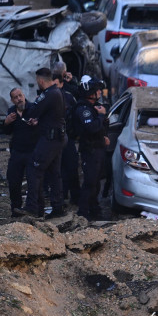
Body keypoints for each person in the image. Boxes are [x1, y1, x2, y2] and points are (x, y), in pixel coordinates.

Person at [20, 67, 65, 219]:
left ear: (40, 80)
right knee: (54, 174)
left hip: (50, 139)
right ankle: (57, 207)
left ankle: (33, 208)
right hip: (55, 138)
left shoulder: (49, 93)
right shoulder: (55, 93)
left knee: (34, 169)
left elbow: (33, 110)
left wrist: (23, 106)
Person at [72, 76, 109, 220]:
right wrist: (100, 116)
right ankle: (83, 213)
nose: (100, 92)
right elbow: (91, 127)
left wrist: (103, 135)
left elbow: (99, 128)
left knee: (95, 183)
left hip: (98, 148)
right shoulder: (83, 109)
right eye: (97, 90)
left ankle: (95, 212)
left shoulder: (93, 107)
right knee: (90, 183)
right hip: (90, 150)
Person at [2, 87, 36, 217]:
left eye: (20, 96)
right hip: (17, 152)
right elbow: (7, 132)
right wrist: (6, 122)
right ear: (12, 100)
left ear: (24, 95)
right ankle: (15, 209)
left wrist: (36, 123)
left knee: (33, 182)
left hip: (32, 151)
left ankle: (32, 209)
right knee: (14, 181)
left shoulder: (33, 108)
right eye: (15, 97)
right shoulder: (11, 112)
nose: (19, 99)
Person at [53, 68, 80, 206]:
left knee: (71, 166)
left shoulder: (69, 97)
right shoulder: (48, 97)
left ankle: (75, 197)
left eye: (56, 84)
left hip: (68, 136)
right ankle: (61, 197)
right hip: (54, 139)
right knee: (58, 169)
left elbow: (76, 116)